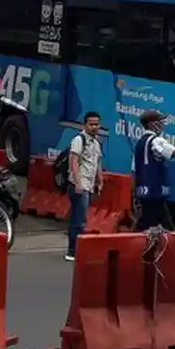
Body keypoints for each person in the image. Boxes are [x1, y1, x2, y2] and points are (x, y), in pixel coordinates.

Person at [65, 111, 104, 262]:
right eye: (91, 124)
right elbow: (73, 162)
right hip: (78, 185)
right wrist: (78, 182)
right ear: (84, 124)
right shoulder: (79, 140)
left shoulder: (96, 142)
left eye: (96, 124)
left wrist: (100, 180)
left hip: (88, 185)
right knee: (79, 220)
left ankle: (76, 250)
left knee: (79, 218)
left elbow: (97, 163)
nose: (94, 127)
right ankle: (72, 251)